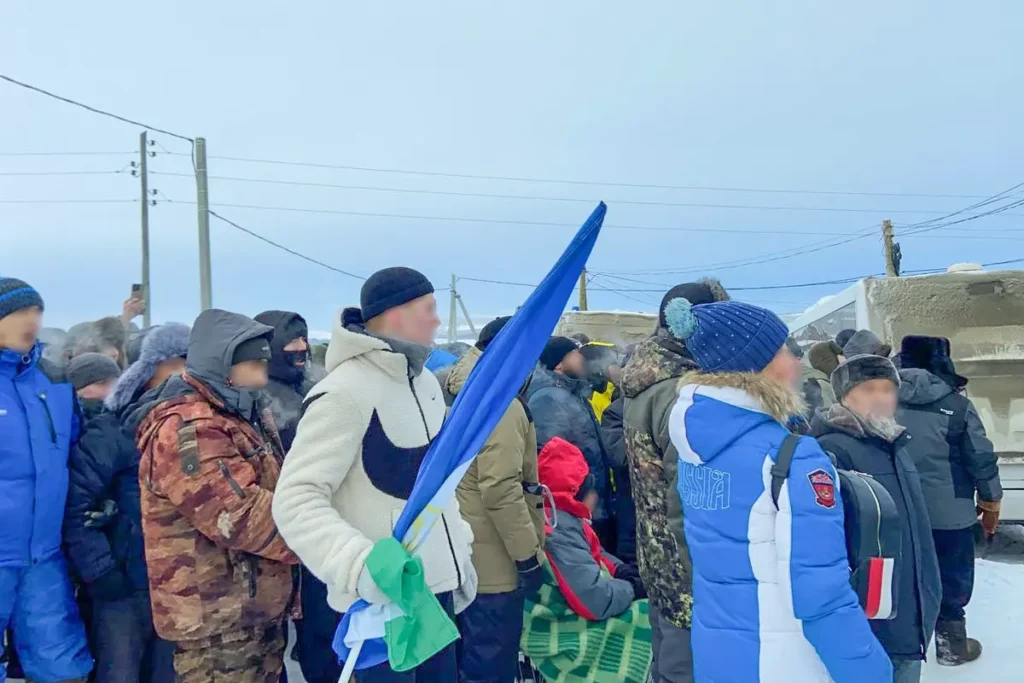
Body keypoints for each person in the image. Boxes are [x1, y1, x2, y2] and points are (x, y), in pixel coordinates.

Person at [666, 298, 892, 683]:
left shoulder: (696, 446)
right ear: (761, 363)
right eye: (789, 349)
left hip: (719, 653)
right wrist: (871, 671)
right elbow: (820, 595)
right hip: (783, 660)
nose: (798, 360)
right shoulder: (792, 456)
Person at [273, 267, 476, 682]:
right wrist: (361, 567)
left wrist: (460, 550)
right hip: (381, 609)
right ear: (397, 314)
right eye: (430, 309)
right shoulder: (343, 392)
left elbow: (435, 487)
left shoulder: (426, 386)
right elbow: (295, 500)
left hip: (435, 596)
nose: (438, 320)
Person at [135, 310, 300, 682]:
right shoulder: (191, 428)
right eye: (254, 362)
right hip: (216, 622)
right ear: (223, 364)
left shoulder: (241, 413)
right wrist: (323, 537)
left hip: (251, 610)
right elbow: (239, 516)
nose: (263, 372)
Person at [64, 323, 189, 683]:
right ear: (150, 368)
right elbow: (76, 505)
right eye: (178, 362)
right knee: (120, 674)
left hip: (177, 584)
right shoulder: (113, 429)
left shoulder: (195, 426)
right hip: (122, 588)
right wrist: (102, 572)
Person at [620, 278, 728, 683]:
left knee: (669, 662)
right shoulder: (684, 391)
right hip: (691, 562)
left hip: (659, 553)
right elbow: (690, 491)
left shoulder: (647, 380)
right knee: (689, 667)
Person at [812, 354, 941, 683]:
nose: (882, 398)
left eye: (888, 389)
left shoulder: (895, 444)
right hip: (868, 618)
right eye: (869, 389)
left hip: (908, 610)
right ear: (843, 396)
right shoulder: (830, 450)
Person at [0, 277, 93, 683]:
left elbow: (74, 451)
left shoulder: (53, 382)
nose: (33, 322)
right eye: (21, 313)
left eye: (37, 313)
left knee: (62, 669)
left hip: (43, 557)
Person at [447, 315, 546, 683]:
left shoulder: (471, 389)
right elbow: (500, 487)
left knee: (470, 657)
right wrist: (527, 557)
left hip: (467, 547)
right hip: (493, 562)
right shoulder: (500, 403)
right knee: (490, 661)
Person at [895, 335, 1001, 666]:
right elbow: (980, 458)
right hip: (950, 512)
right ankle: (951, 645)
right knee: (951, 576)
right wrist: (991, 500)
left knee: (901, 573)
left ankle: (903, 645)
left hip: (897, 509)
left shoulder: (880, 398)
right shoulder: (956, 406)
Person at [538, 437, 641, 620]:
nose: (595, 496)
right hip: (564, 620)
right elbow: (597, 601)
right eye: (591, 490)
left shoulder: (564, 519)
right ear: (576, 495)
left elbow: (593, 552)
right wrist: (631, 587)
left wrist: (619, 569)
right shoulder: (558, 533)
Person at [527, 337, 612, 546]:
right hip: (580, 505)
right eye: (575, 353)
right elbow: (554, 458)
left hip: (592, 502)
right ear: (559, 363)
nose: (581, 358)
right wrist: (584, 492)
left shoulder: (570, 392)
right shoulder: (550, 398)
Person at [801, 340, 844, 418]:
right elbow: (829, 420)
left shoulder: (809, 380)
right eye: (836, 360)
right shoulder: (821, 385)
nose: (839, 365)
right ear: (826, 361)